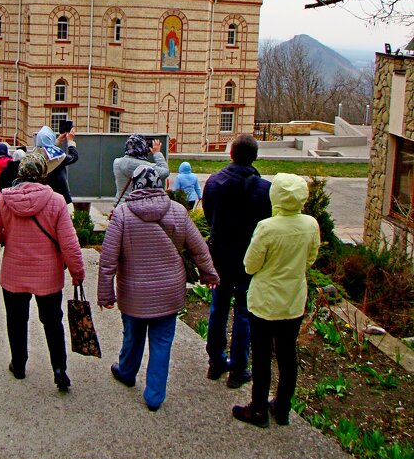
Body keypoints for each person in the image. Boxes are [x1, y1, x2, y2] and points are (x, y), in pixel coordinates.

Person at [98, 165, 219, 412]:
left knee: (132, 335)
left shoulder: (122, 215)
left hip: (133, 293)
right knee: (162, 342)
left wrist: (105, 294)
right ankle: (154, 396)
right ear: (160, 185)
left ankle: (127, 372)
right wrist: (209, 274)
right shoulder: (177, 211)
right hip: (169, 293)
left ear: (135, 185)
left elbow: (108, 260)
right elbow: (198, 248)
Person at [0, 151, 85, 391]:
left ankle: (19, 365)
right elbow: (69, 243)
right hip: (48, 277)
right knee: (52, 322)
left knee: (16, 321)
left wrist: (7, 236)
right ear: (42, 174)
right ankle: (59, 370)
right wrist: (77, 273)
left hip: (14, 275)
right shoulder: (56, 201)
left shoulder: (5, 200)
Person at [232, 173, 320, 428]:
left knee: (261, 355)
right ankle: (282, 407)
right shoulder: (310, 224)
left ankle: (258, 408)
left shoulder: (267, 227)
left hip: (266, 301)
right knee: (287, 354)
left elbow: (250, 265)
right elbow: (310, 258)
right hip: (293, 300)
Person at [202, 134, 272, 388]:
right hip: (249, 258)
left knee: (218, 307)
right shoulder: (264, 189)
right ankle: (239, 369)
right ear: (254, 157)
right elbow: (266, 225)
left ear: (231, 154)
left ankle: (216, 362)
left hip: (220, 255)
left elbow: (210, 216)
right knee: (243, 312)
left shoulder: (214, 182)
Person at [113, 134, 169, 203]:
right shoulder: (141, 165)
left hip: (120, 204)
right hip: (134, 205)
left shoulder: (117, 162)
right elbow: (165, 172)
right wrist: (157, 153)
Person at [35, 125, 78, 204]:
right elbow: (74, 157)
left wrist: (58, 140)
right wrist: (70, 142)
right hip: (59, 195)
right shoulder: (57, 158)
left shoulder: (35, 153)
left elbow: (47, 149)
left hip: (41, 195)